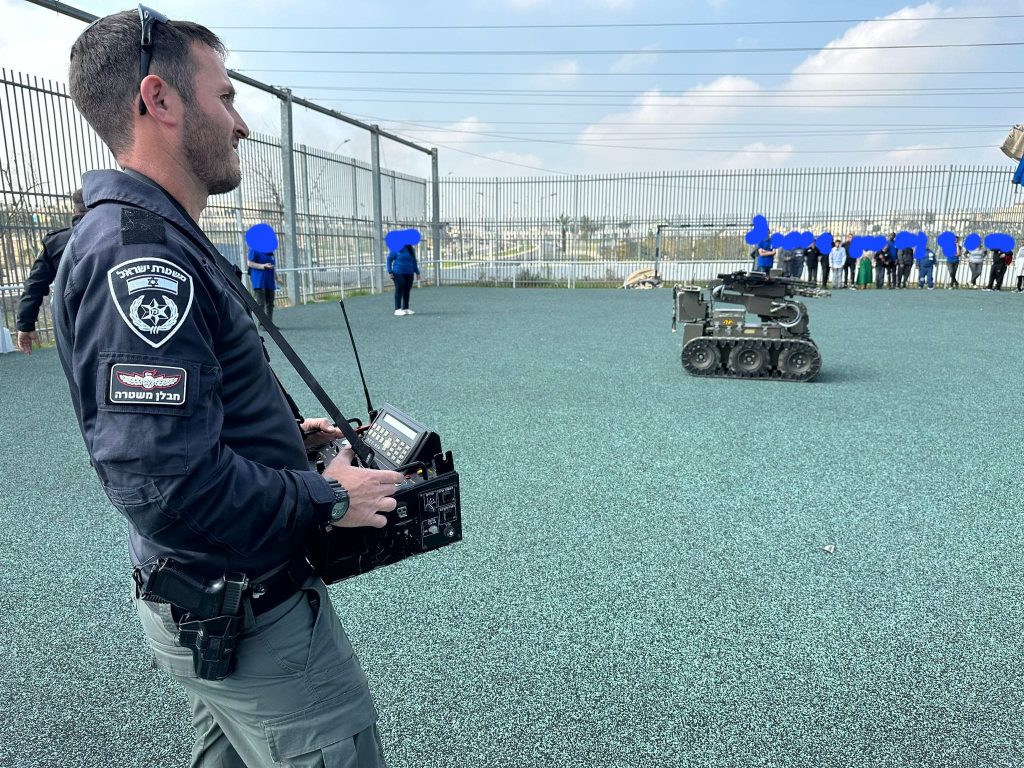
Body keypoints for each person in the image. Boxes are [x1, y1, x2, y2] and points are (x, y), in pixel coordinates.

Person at [54, 10, 403, 766]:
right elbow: (165, 486)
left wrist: (280, 433)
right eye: (225, 98)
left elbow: (182, 422)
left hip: (212, 604)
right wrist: (327, 498)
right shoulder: (143, 257)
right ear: (159, 99)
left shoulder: (154, 234)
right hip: (251, 616)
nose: (241, 124)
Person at [15, 189, 87, 354]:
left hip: (71, 318)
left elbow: (35, 284)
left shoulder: (57, 241)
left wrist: (25, 324)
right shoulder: (117, 234)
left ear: (74, 211)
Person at [387, 243, 419, 316]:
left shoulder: (411, 249)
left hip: (409, 273)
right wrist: (390, 271)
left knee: (407, 290)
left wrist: (417, 272)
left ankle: (406, 308)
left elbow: (414, 261)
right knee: (399, 289)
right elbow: (389, 259)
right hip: (398, 273)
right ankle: (397, 309)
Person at [247, 246, 276, 321]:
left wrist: (277, 278)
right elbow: (249, 263)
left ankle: (269, 323)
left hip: (269, 281)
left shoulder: (270, 251)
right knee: (261, 304)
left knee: (270, 303)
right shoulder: (254, 249)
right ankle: (262, 324)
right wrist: (263, 266)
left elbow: (273, 266)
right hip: (258, 280)